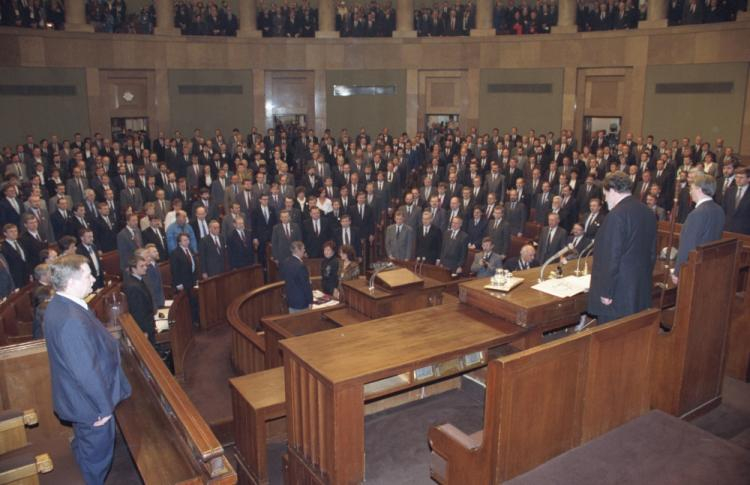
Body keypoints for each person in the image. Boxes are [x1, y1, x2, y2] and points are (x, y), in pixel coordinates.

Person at [44, 255, 131, 484]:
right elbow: (85, 371)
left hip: (79, 401)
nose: (93, 279)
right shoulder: (71, 319)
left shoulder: (59, 305)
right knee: (96, 464)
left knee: (87, 453)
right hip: (90, 407)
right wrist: (102, 411)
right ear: (71, 282)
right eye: (87, 275)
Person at [588, 171, 657, 324]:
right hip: (639, 287)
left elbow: (612, 256)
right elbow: (652, 253)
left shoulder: (617, 215)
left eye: (605, 194)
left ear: (612, 190)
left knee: (610, 340)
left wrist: (606, 291)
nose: (605, 200)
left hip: (617, 293)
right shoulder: (647, 212)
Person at [673, 173, 725, 284]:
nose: (690, 192)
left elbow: (688, 246)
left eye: (691, 188)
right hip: (708, 266)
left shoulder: (697, 214)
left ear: (698, 189)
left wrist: (677, 272)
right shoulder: (719, 210)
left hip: (693, 270)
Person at [122, 255, 156, 344]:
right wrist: (143, 331)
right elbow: (137, 311)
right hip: (144, 328)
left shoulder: (138, 280)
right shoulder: (133, 286)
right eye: (142, 266)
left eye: (145, 265)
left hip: (148, 324)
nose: (145, 268)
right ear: (133, 269)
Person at [280, 241, 313, 313]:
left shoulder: (286, 262)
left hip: (290, 301)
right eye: (303, 248)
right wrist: (310, 301)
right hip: (301, 303)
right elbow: (306, 285)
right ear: (298, 250)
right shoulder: (301, 266)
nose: (304, 250)